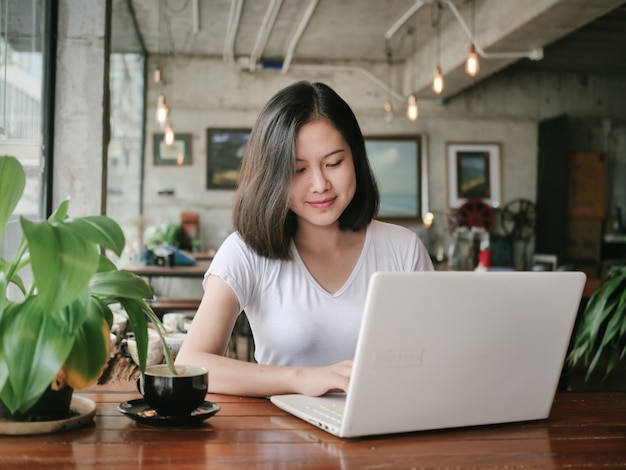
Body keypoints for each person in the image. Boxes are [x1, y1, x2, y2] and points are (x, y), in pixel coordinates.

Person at [176, 81, 433, 397]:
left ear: (356, 158)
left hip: (383, 432)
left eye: (334, 163)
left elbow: (433, 359)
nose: (320, 184)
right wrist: (300, 379)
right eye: (298, 170)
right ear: (272, 176)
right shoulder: (245, 251)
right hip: (281, 438)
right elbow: (191, 363)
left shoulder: (404, 249)